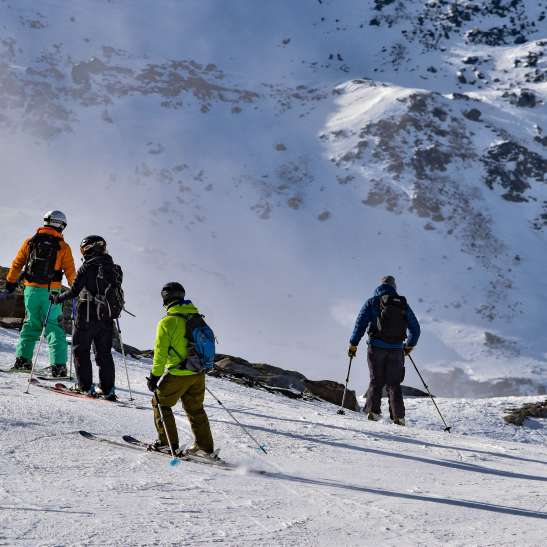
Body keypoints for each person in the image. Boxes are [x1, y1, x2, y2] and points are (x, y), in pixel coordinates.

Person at [50, 235, 122, 400]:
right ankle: (108, 389)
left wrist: (57, 298)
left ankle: (85, 387)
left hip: (86, 317)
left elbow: (74, 291)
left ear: (87, 249)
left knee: (80, 350)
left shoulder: (86, 267)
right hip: (107, 318)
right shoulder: (115, 269)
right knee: (104, 353)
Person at [146, 282, 214, 456]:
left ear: (165, 298)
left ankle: (167, 443)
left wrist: (155, 377)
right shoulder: (197, 317)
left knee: (160, 403)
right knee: (195, 408)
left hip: (178, 373)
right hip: (198, 373)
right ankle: (205, 447)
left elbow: (160, 354)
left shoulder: (167, 322)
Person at [5, 210, 76, 376]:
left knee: (30, 324)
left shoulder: (30, 242)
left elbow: (17, 264)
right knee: (54, 327)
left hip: (30, 290)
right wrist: (76, 290)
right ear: (61, 225)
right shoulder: (63, 247)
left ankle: (23, 361)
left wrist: (10, 283)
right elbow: (71, 272)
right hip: (52, 293)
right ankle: (58, 367)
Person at [348, 275, 420, 426]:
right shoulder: (402, 304)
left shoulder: (372, 302)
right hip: (396, 349)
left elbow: (360, 324)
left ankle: (372, 413)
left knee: (376, 380)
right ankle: (398, 418)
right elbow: (415, 328)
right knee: (394, 384)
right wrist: (409, 346)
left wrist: (353, 344)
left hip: (376, 347)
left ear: (379, 286)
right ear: (394, 287)